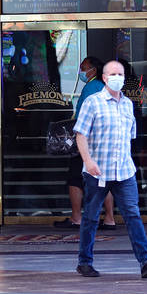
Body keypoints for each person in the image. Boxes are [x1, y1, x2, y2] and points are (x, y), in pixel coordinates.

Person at [74, 60, 147, 279]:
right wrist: (88, 161)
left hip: (124, 171)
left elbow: (129, 138)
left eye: (121, 74)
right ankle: (84, 262)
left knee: (133, 214)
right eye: (113, 73)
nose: (118, 77)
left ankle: (146, 261)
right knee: (92, 217)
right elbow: (80, 134)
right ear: (104, 78)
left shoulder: (127, 104)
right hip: (98, 171)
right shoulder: (92, 102)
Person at [54, 56, 116, 230]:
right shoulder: (106, 87)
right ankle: (110, 218)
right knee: (104, 179)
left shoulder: (90, 87)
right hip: (104, 140)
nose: (80, 71)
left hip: (87, 141)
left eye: (83, 67)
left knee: (74, 178)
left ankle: (76, 218)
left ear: (93, 70)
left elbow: (83, 116)